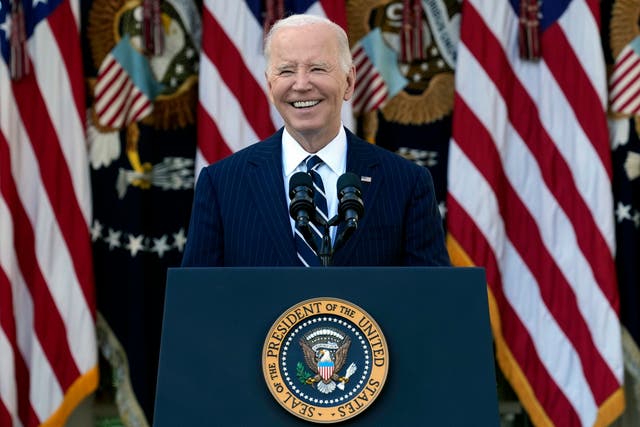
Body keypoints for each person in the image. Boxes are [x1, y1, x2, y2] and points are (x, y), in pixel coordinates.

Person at [181, 14, 450, 267]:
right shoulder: (221, 184)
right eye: (286, 71)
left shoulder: (407, 183)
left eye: (318, 68)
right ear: (269, 86)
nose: (301, 84)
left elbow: (431, 300)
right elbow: (198, 301)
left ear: (349, 81)